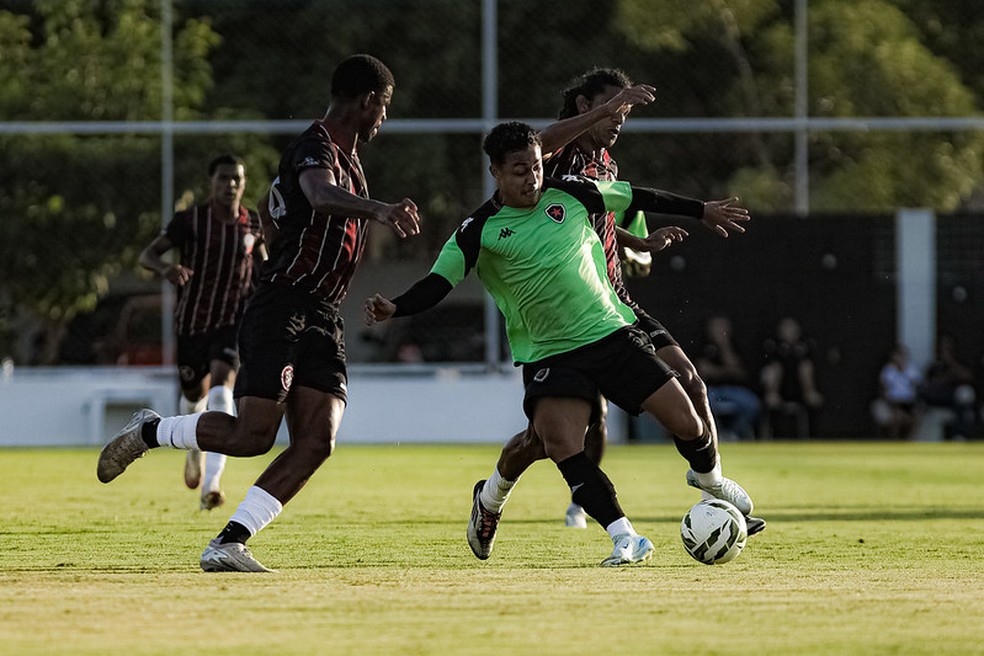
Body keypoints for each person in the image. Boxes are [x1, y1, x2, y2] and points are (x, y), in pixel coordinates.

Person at [364, 121, 755, 566]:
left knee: (689, 423)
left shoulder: (570, 191)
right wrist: (395, 308)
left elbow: (636, 194)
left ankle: (712, 484)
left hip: (611, 332)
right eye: (518, 171)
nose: (531, 178)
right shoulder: (479, 230)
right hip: (550, 352)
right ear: (495, 171)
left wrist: (700, 209)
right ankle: (625, 537)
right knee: (562, 443)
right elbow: (438, 283)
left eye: (534, 167)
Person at [98, 54, 421, 572]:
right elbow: (315, 195)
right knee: (253, 437)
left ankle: (229, 541)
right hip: (284, 306)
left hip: (322, 313)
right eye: (384, 105)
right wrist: (379, 210)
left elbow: (280, 226)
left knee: (318, 440)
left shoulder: (353, 164)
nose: (384, 117)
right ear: (367, 101)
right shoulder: (315, 146)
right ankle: (151, 432)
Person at [493, 68, 765, 534]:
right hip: (563, 317)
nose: (621, 119)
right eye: (615, 108)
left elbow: (586, 225)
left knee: (691, 382)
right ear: (585, 106)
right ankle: (499, 493)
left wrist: (637, 243)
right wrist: (606, 107)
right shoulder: (550, 159)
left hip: (616, 300)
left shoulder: (607, 167)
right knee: (560, 433)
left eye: (625, 113)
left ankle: (713, 488)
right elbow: (540, 140)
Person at [138, 154, 264, 510]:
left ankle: (212, 484)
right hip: (193, 322)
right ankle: (193, 452)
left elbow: (266, 265)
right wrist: (165, 268)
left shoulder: (254, 223)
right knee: (194, 398)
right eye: (224, 178)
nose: (231, 185)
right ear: (212, 182)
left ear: (244, 182)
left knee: (224, 391)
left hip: (233, 322)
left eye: (237, 179)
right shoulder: (191, 221)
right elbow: (148, 254)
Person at [696, 315, 762, 441]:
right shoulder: (702, 347)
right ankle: (715, 434)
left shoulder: (736, 346)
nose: (719, 330)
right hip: (711, 390)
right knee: (703, 405)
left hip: (734, 389)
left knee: (752, 404)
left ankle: (733, 434)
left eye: (723, 327)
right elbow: (703, 372)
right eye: (716, 327)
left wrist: (724, 347)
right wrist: (728, 371)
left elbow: (739, 373)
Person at [760, 316, 823, 438]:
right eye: (786, 328)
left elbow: (808, 367)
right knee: (774, 369)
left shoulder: (805, 347)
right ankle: (772, 394)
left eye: (792, 328)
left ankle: (810, 392)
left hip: (798, 389)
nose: (789, 331)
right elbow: (768, 370)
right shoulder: (772, 347)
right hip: (779, 388)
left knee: (805, 367)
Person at [921, 335, 976, 439]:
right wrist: (947, 378)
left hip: (955, 401)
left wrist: (951, 362)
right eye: (943, 349)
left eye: (948, 349)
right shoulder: (934, 368)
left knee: (965, 396)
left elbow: (967, 376)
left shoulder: (959, 364)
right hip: (939, 399)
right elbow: (930, 386)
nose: (945, 352)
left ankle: (959, 435)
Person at [872, 343, 921, 439]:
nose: (901, 358)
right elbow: (883, 388)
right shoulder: (888, 371)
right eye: (899, 355)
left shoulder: (912, 369)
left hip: (909, 403)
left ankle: (908, 442)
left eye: (903, 355)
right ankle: (895, 440)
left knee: (916, 417)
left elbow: (917, 386)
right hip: (894, 402)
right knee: (897, 418)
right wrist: (888, 400)